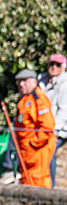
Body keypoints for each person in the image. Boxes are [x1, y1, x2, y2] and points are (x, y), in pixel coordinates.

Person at [14, 69, 56, 188]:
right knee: (26, 180)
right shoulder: (24, 99)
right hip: (26, 152)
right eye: (19, 81)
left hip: (37, 150)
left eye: (24, 81)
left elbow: (47, 127)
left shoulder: (38, 99)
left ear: (33, 81)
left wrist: (33, 144)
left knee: (38, 180)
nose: (21, 84)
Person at [37, 53, 67, 187]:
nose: (54, 67)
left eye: (58, 65)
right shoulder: (41, 80)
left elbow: (64, 111)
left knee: (49, 151)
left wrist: (52, 130)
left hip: (58, 129)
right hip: (39, 126)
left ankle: (51, 187)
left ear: (63, 68)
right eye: (52, 64)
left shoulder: (64, 84)